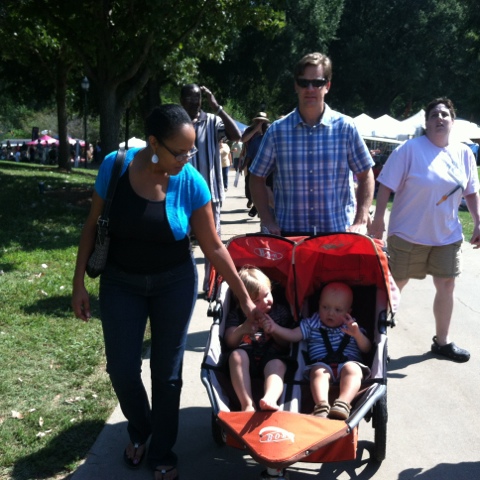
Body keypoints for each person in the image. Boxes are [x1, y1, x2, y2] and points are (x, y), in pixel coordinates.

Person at [72, 104, 264, 480]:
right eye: (179, 152)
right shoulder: (115, 166)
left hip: (173, 284)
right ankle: (141, 427)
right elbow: (92, 225)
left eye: (191, 151)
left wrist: (244, 296)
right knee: (122, 369)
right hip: (121, 282)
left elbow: (214, 246)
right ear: (153, 142)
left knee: (167, 374)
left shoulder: (190, 181)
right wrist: (79, 283)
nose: (186, 159)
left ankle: (161, 450)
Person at [369, 97, 480, 363]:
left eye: (445, 114)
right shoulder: (409, 150)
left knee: (447, 284)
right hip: (408, 234)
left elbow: (471, 192)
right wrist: (378, 220)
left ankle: (442, 342)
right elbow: (385, 186)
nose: (439, 118)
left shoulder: (464, 153)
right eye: (434, 115)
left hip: (446, 236)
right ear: (427, 123)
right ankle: (375, 342)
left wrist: (478, 221)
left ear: (452, 121)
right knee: (395, 286)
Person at [249, 52, 375, 236]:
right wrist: (267, 219)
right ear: (296, 86)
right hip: (291, 236)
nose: (310, 88)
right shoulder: (277, 131)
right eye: (303, 82)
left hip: (337, 235)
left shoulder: (345, 128)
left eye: (317, 82)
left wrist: (361, 220)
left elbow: (366, 175)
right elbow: (256, 177)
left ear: (327, 86)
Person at [263, 282, 371, 420]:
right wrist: (275, 328)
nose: (330, 313)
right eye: (325, 307)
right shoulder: (312, 323)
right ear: (319, 304)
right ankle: (321, 405)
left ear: (348, 312)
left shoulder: (352, 327)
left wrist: (357, 335)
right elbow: (294, 335)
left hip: (349, 362)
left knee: (353, 369)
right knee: (317, 372)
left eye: (338, 310)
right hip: (321, 363)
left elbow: (367, 348)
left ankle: (343, 403)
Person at [180, 83, 241, 295]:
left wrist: (217, 107)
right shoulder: (176, 123)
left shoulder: (212, 121)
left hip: (209, 195)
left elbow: (236, 136)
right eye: (189, 98)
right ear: (181, 100)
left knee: (212, 244)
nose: (193, 102)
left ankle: (210, 286)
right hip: (181, 195)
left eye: (197, 98)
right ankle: (184, 284)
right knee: (180, 242)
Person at [224, 266, 295, 412]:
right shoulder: (238, 314)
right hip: (246, 356)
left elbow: (286, 344)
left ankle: (270, 398)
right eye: (256, 301)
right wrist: (243, 329)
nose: (265, 302)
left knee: (278, 364)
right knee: (236, 356)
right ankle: (247, 403)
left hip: (271, 356)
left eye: (267, 295)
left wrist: (275, 330)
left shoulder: (280, 312)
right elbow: (229, 341)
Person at [241, 112, 270, 217]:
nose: (261, 123)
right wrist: (256, 129)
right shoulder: (249, 130)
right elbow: (243, 139)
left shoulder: (268, 130)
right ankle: (251, 199)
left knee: (265, 185)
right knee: (249, 183)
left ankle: (257, 206)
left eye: (263, 121)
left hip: (267, 164)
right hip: (252, 161)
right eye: (259, 121)